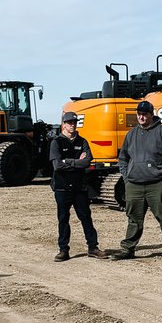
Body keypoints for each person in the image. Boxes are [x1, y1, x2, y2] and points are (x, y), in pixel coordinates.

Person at [116, 100, 162, 261]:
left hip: (157, 184)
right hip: (134, 184)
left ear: (151, 114)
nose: (141, 117)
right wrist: (127, 178)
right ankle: (128, 249)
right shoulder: (131, 135)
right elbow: (123, 158)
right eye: (139, 114)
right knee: (133, 219)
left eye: (145, 114)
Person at [50, 112, 108, 261]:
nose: (72, 125)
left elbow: (87, 162)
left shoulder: (82, 142)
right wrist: (76, 162)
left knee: (86, 217)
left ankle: (93, 247)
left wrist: (67, 162)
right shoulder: (56, 142)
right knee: (63, 219)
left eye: (74, 122)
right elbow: (57, 166)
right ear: (63, 124)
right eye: (69, 122)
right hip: (62, 187)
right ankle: (63, 250)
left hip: (79, 187)